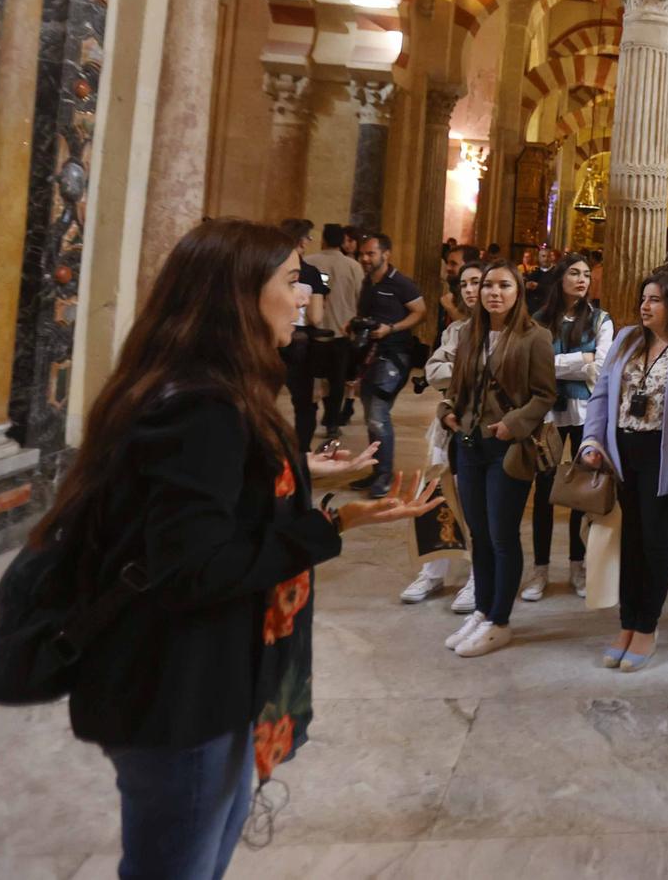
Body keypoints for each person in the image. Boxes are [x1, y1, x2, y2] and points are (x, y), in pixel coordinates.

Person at [42, 219, 437, 878]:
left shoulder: (200, 387)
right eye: (292, 280)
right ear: (236, 296)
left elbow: (210, 501)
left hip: (193, 676)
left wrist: (298, 471)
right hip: (182, 687)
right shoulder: (203, 407)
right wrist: (332, 525)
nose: (306, 296)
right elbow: (195, 567)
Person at [579, 271, 668, 672]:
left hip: (665, 457)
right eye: (643, 298)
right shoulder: (625, 339)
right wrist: (591, 441)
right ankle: (626, 623)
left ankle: (646, 627)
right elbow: (603, 394)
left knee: (655, 544)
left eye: (655, 299)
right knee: (630, 541)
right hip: (623, 452)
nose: (645, 305)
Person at [438, 258, 556, 657]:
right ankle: (484, 609)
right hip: (469, 444)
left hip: (508, 448)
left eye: (503, 286)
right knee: (479, 535)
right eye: (488, 285)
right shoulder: (470, 333)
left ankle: (500, 621)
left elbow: (544, 395)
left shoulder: (534, 336)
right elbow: (457, 385)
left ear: (518, 291)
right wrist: (447, 411)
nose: (493, 293)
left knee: (503, 535)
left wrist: (513, 423)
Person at [401, 261, 484, 606]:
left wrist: (462, 370)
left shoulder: (512, 333)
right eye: (463, 283)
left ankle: (480, 577)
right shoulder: (455, 331)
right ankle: (433, 572)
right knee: (436, 495)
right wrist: (471, 369)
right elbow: (434, 371)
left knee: (478, 503)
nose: (469, 289)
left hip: (485, 426)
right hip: (447, 424)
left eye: (476, 282)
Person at [530, 254, 612, 600]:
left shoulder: (600, 320)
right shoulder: (539, 320)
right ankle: (540, 570)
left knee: (581, 490)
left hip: (584, 413)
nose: (582, 280)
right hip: (547, 413)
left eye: (585, 275)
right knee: (545, 491)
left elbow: (603, 364)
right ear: (560, 278)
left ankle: (578, 567)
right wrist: (583, 360)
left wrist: (562, 363)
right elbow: (535, 364)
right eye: (574, 273)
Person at [353, 234, 426, 496]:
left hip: (393, 355)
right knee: (370, 415)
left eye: (370, 253)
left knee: (378, 414)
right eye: (363, 253)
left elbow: (420, 311)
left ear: (386, 254)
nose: (365, 258)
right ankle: (375, 471)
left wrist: (391, 328)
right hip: (370, 355)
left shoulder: (401, 283)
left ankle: (384, 476)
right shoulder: (367, 282)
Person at [304, 223, 363, 439]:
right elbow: (360, 298)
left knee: (311, 377)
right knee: (337, 379)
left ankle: (307, 420)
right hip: (342, 332)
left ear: (323, 240)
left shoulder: (310, 262)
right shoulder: (353, 267)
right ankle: (331, 422)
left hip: (315, 330)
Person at [275, 220, 329, 450]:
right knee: (305, 404)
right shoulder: (309, 272)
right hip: (300, 343)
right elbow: (316, 318)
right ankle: (301, 452)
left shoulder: (269, 265)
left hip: (271, 340)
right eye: (308, 237)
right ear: (301, 240)